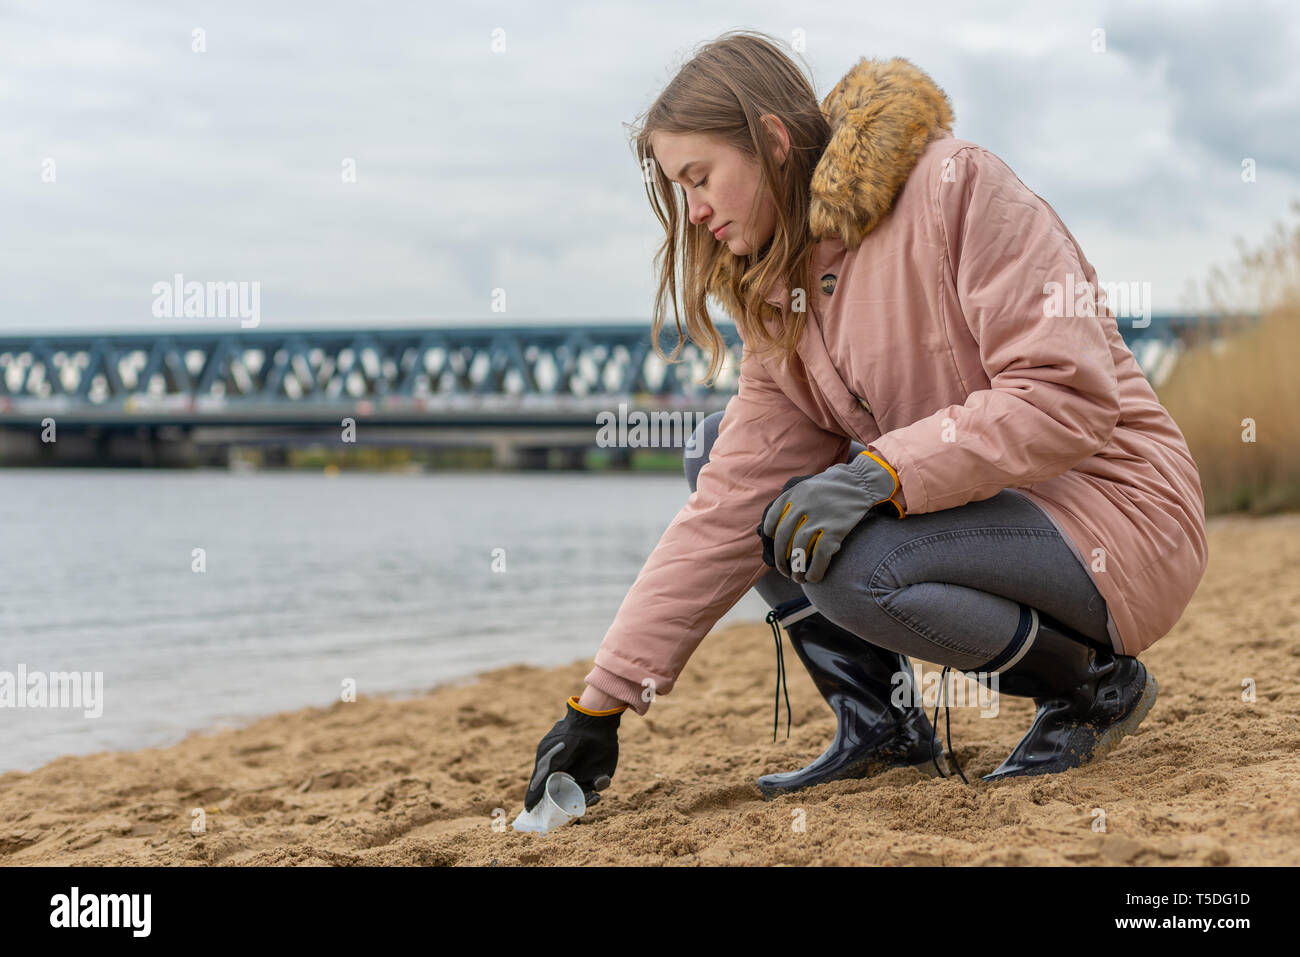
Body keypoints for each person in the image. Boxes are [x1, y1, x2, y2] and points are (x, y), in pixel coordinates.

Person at [524, 31, 1208, 814]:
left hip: (1119, 514)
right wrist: (602, 702)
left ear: (773, 142)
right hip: (995, 516)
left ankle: (1094, 687)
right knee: (721, 456)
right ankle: (879, 723)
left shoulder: (958, 188)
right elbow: (726, 510)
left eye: (700, 176)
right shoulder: (784, 298)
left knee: (850, 560)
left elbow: (1067, 398)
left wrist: (877, 474)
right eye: (679, 189)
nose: (694, 209)